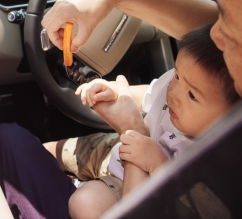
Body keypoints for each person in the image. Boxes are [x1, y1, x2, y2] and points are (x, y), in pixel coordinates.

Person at [0, 0, 242, 219]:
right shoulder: (203, 83)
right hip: (124, 149)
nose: (215, 34)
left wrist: (133, 129)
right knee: (44, 150)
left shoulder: (218, 166)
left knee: (12, 144)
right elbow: (156, 88)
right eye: (219, 13)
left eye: (231, 28)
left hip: (140, 172)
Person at [65, 24, 238, 219]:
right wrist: (115, 91)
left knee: (86, 204)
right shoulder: (178, 85)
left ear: (231, 117)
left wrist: (158, 165)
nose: (173, 93)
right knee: (58, 149)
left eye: (192, 96)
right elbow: (149, 94)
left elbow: (182, 200)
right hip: (120, 149)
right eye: (177, 76)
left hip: (146, 193)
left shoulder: (215, 160)